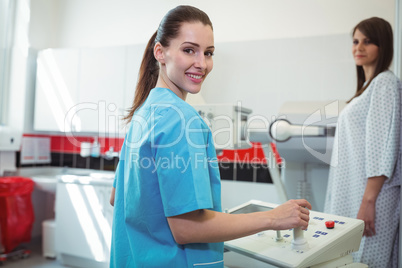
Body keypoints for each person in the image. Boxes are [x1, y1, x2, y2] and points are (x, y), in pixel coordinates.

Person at [110, 5, 311, 267]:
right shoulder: (181, 120)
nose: (202, 64)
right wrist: (274, 218)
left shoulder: (143, 114)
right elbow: (187, 228)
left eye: (208, 53)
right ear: (160, 52)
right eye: (189, 50)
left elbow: (118, 198)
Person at [324, 17, 401, 267]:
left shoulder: (385, 84)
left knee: (366, 262)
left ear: (383, 45)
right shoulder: (369, 86)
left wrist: (368, 202)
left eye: (368, 41)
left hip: (372, 198)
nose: (359, 47)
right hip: (357, 193)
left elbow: (382, 149)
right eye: (356, 41)